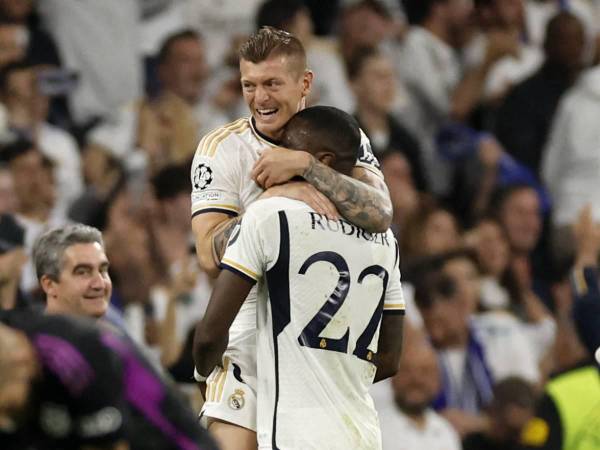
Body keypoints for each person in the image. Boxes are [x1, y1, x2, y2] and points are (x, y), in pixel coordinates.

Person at [190, 26, 393, 449]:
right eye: (249, 85)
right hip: (247, 344)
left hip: (316, 352)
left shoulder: (338, 135)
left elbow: (380, 213)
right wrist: (279, 195)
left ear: (305, 83)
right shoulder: (221, 148)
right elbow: (209, 255)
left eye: (271, 84)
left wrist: (308, 168)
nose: (260, 98)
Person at [0, 309, 219, 450]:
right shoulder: (12, 331)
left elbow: (111, 446)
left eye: (8, 407)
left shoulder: (78, 356)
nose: (5, 419)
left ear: (23, 364)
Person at [373, 337, 461, 450]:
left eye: (425, 371)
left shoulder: (446, 432)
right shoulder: (373, 427)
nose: (416, 379)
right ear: (391, 377)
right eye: (407, 370)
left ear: (438, 381)